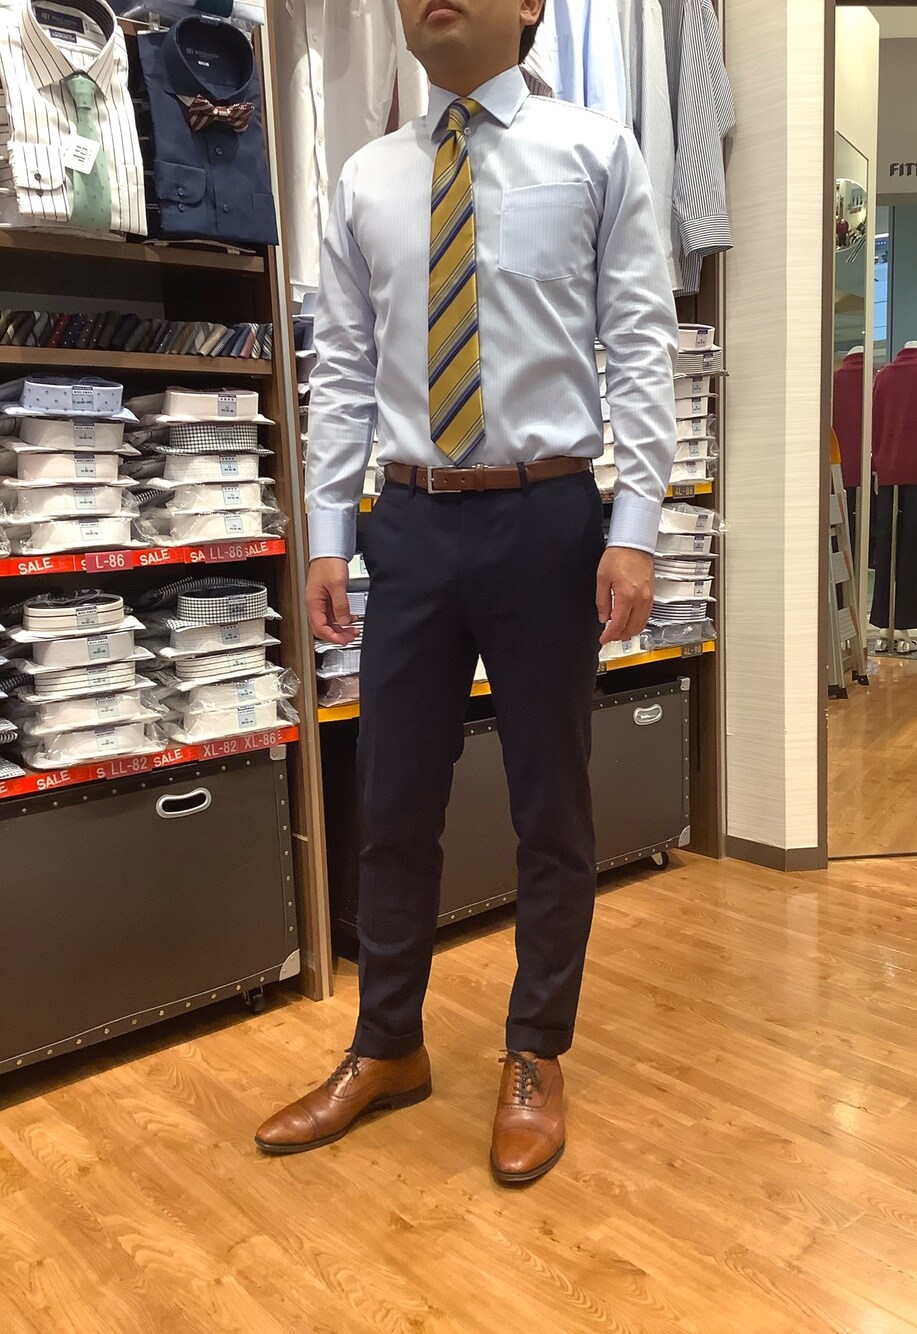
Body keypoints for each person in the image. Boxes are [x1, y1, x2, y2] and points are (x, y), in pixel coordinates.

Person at [256, 0, 678, 1184]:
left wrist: (636, 529)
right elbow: (343, 365)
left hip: (548, 518)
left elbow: (640, 342)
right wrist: (327, 534)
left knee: (551, 804)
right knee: (392, 798)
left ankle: (535, 1049)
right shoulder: (368, 178)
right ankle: (387, 1042)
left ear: (533, 4)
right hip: (410, 522)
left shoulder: (594, 150)